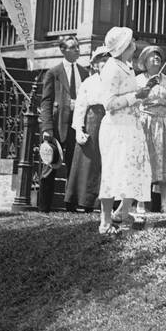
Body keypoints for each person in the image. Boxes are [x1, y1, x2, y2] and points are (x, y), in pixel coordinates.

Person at [97, 27, 151, 234]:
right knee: (113, 171)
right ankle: (105, 221)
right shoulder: (111, 68)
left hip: (132, 126)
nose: (134, 44)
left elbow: (129, 95)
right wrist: (136, 96)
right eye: (131, 42)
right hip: (116, 128)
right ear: (124, 46)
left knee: (134, 169)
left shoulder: (126, 66)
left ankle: (123, 210)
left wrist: (140, 94)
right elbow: (109, 103)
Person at [39, 36, 88, 213]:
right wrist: (47, 128)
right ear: (63, 50)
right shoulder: (53, 73)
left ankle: (71, 206)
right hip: (58, 125)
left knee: (74, 166)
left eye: (78, 47)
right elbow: (46, 102)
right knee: (50, 164)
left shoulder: (84, 73)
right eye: (73, 47)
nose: (77, 50)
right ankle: (44, 207)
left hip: (77, 126)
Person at [137, 45, 166, 213]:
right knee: (145, 162)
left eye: (158, 55)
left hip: (165, 123)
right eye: (152, 55)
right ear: (144, 61)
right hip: (146, 123)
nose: (156, 57)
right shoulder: (138, 79)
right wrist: (148, 87)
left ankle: (164, 204)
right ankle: (141, 204)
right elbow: (135, 101)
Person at [65, 46, 109, 214]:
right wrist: (78, 130)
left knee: (105, 161)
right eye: (101, 61)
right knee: (88, 161)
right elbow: (81, 107)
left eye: (108, 61)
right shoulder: (89, 82)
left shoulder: (114, 82)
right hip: (92, 122)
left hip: (109, 121)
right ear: (95, 65)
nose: (105, 64)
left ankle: (100, 202)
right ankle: (82, 200)